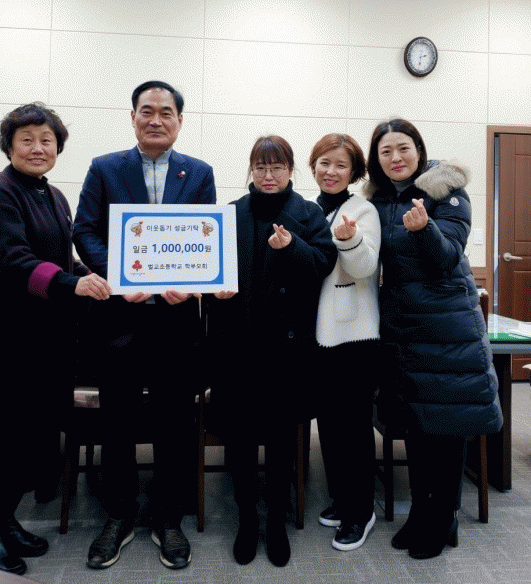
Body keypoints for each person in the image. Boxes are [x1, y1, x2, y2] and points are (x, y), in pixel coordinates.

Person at [0, 102, 111, 576]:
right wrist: (71, 284)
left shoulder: (53, 196)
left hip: (43, 342)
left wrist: (95, 275)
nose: (38, 148)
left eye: (47, 140)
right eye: (27, 140)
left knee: (28, 437)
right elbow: (14, 261)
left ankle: (6, 521)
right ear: (10, 146)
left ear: (58, 147)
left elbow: (60, 258)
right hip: (2, 341)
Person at [73, 80, 215, 571]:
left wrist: (191, 282)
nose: (156, 120)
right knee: (118, 424)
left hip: (176, 323)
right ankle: (119, 515)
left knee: (175, 424)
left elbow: (205, 238)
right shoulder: (105, 168)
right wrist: (119, 276)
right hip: (120, 320)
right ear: (132, 116)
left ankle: (167, 516)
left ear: (180, 120)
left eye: (166, 112)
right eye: (147, 111)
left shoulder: (199, 173)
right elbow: (84, 230)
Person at [365, 118, 503, 559]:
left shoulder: (447, 190)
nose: (396, 158)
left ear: (419, 150)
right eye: (386, 151)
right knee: (418, 427)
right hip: (403, 328)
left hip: (445, 326)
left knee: (447, 427)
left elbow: (447, 257)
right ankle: (423, 513)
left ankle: (443, 518)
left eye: (403, 148)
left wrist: (425, 229)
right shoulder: (379, 200)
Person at [208, 136, 334, 567]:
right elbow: (208, 269)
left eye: (276, 167)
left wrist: (292, 246)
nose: (268, 176)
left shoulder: (308, 213)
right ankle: (247, 519)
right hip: (238, 347)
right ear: (251, 170)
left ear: (290, 171)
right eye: (260, 167)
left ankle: (277, 521)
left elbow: (323, 264)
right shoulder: (230, 214)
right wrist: (215, 290)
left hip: (287, 350)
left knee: (282, 442)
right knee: (240, 440)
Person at [308, 134, 381, 551]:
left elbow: (365, 266)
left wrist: (349, 239)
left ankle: (361, 511)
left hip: (353, 335)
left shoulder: (362, 209)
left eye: (340, 165)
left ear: (354, 171)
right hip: (317, 337)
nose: (331, 171)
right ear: (313, 166)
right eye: (324, 163)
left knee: (353, 428)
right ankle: (341, 498)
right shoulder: (309, 208)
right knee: (330, 425)